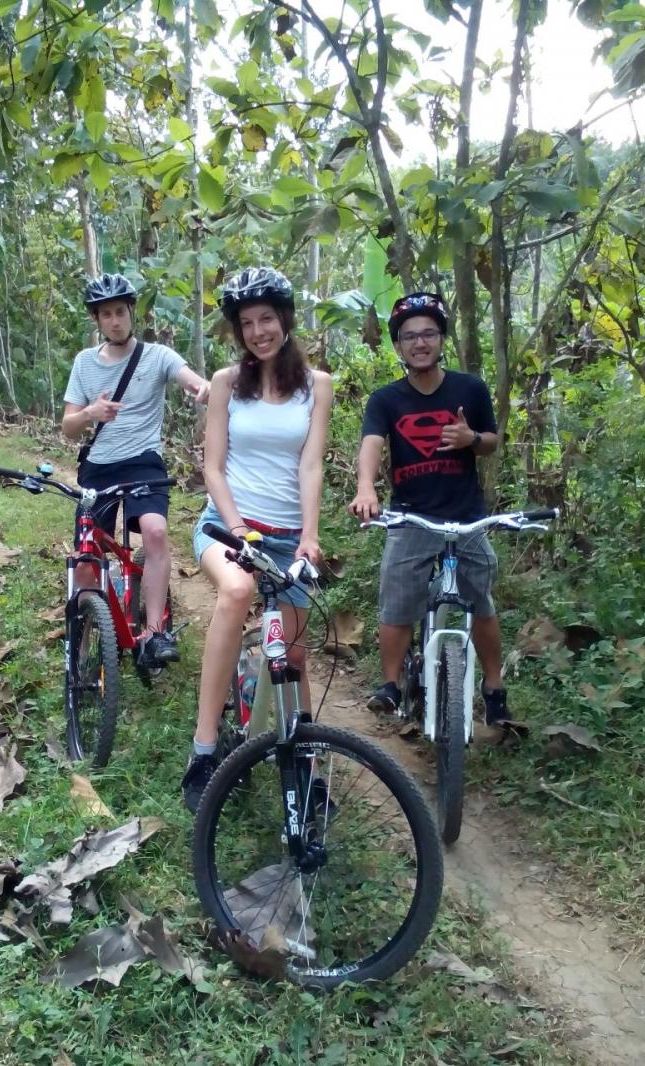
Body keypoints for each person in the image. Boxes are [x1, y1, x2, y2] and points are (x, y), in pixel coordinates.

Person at [181, 266, 333, 812]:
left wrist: (309, 536)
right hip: (226, 526)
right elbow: (214, 467)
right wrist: (239, 526)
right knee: (237, 594)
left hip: (288, 535)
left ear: (285, 321)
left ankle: (308, 767)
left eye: (267, 318)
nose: (258, 331)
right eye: (247, 323)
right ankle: (203, 751)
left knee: (293, 652)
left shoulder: (317, 386)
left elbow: (311, 464)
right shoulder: (225, 383)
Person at [348, 291, 510, 725]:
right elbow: (371, 444)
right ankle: (389, 684)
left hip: (467, 515)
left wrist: (470, 439)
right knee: (397, 602)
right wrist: (366, 488)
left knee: (481, 603)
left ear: (442, 339)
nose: (420, 343)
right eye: (409, 336)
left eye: (428, 334)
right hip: (411, 515)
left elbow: (492, 441)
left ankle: (494, 688)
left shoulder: (469, 389)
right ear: (398, 345)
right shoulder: (386, 399)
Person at [62, 273, 209, 669]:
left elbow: (194, 383)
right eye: (106, 314)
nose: (115, 320)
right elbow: (68, 425)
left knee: (156, 532)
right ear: (97, 320)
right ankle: (87, 629)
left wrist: (211, 390)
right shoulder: (84, 364)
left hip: (144, 461)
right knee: (89, 553)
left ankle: (154, 632)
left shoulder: (157, 356)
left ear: (132, 313)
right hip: (99, 466)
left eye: (120, 312)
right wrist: (92, 411)